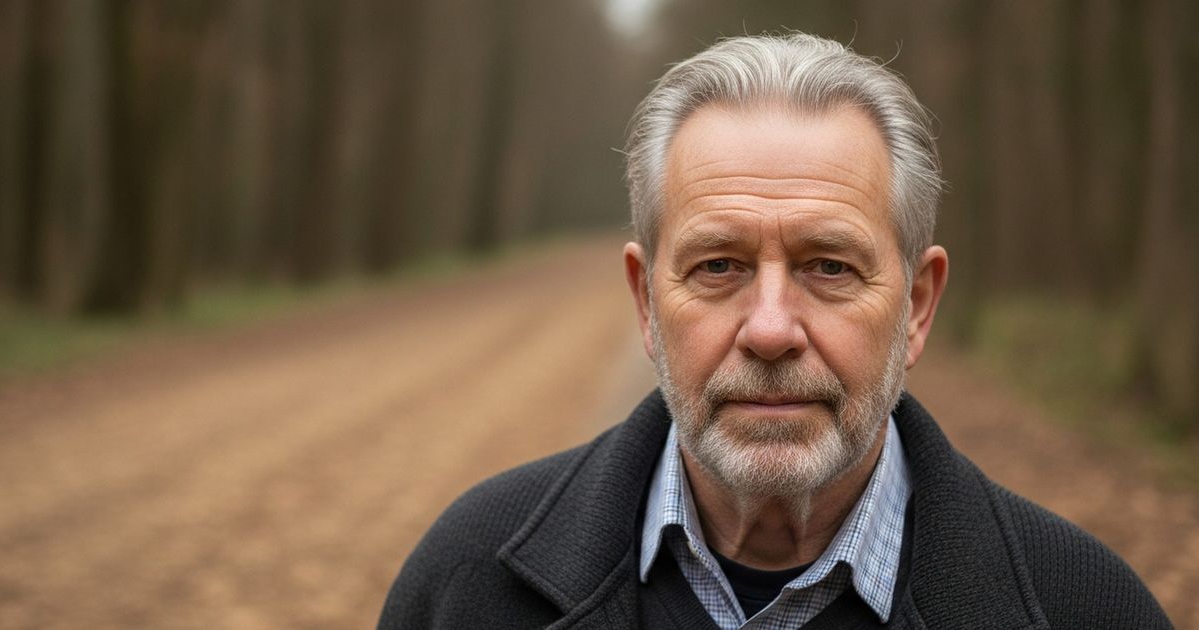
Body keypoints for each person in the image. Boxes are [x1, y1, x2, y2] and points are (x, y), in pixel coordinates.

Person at [378, 33, 1171, 629]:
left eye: (829, 267)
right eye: (718, 266)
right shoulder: (466, 586)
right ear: (647, 304)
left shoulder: (1086, 609)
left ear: (919, 307)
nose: (768, 330)